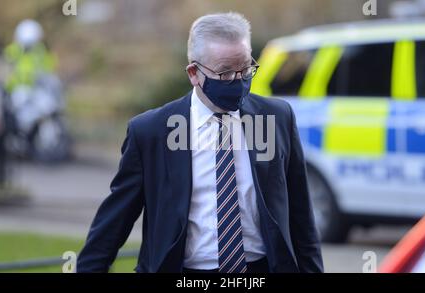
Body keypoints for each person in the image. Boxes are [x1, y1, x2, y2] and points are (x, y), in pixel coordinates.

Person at [77, 12, 323, 273]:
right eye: (226, 73)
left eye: (246, 69)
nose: (238, 81)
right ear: (194, 73)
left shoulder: (276, 119)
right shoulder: (151, 132)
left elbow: (301, 217)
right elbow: (115, 221)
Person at [4, 19, 57, 93]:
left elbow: (50, 71)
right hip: (15, 90)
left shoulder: (41, 52)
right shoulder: (13, 51)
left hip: (38, 91)